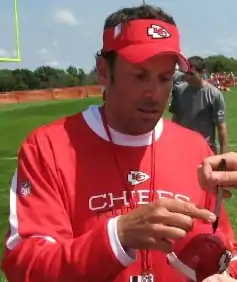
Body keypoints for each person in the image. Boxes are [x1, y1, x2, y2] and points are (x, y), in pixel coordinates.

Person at [1, 5, 236, 282]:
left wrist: (225, 274)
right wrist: (117, 236)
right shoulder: (48, 148)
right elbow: (27, 267)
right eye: (139, 75)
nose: (154, 93)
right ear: (104, 71)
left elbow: (225, 251)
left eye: (165, 79)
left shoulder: (195, 148)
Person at [169, 56, 228, 154]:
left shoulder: (214, 94)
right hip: (182, 148)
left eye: (192, 74)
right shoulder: (180, 90)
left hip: (205, 150)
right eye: (186, 73)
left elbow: (221, 127)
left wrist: (223, 158)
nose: (187, 77)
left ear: (203, 72)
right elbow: (175, 119)